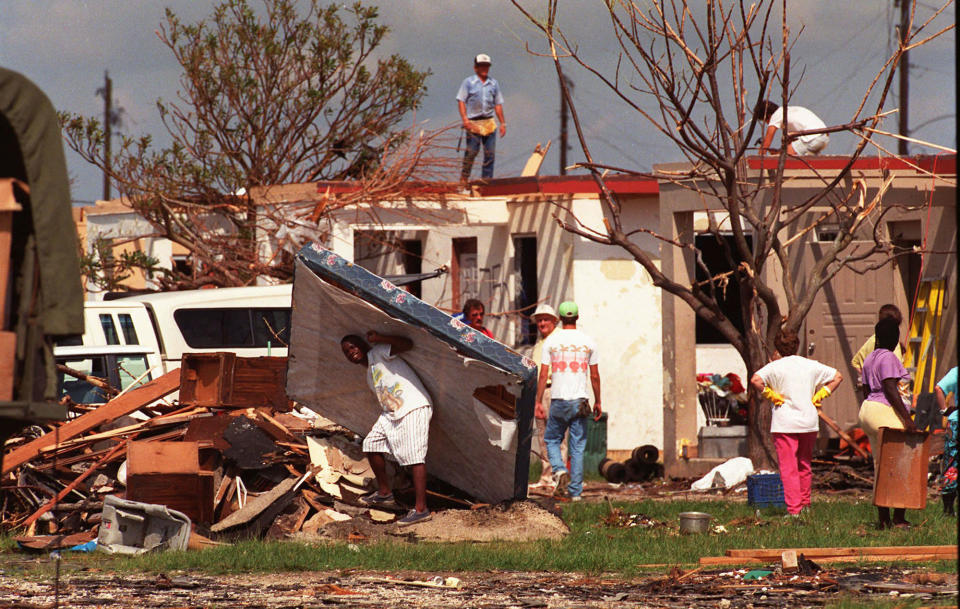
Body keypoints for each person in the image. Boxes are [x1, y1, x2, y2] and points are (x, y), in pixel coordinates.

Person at [340, 331, 434, 526]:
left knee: (415, 457)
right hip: (392, 413)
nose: (351, 352)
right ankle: (384, 493)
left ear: (363, 344)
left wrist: (380, 338)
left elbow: (407, 342)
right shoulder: (369, 374)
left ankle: (420, 509)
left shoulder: (379, 352)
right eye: (346, 352)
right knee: (371, 444)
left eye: (353, 347)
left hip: (413, 406)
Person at [750, 328, 843, 516]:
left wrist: (771, 394)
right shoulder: (810, 365)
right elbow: (837, 376)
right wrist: (821, 394)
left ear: (778, 347)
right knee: (804, 465)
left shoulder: (774, 366)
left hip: (785, 422)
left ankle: (794, 510)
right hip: (808, 421)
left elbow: (756, 380)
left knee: (788, 468)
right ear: (797, 345)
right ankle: (805, 505)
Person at [536, 301, 601, 501]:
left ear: (561, 319)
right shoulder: (589, 342)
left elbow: (543, 373)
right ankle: (576, 494)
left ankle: (559, 470)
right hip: (580, 400)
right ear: (577, 317)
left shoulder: (551, 342)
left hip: (558, 400)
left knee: (551, 439)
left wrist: (538, 401)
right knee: (577, 447)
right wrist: (598, 401)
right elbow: (595, 376)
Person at [858, 317, 918, 529]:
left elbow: (866, 389)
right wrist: (907, 419)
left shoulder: (870, 358)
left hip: (868, 410)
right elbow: (891, 389)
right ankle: (899, 518)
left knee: (880, 466)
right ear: (894, 338)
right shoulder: (890, 357)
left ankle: (883, 519)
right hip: (884, 410)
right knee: (901, 464)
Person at [457, 54, 506, 183]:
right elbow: (461, 100)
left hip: (489, 121)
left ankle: (487, 181)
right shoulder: (468, 82)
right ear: (476, 68)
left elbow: (498, 104)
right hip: (473, 122)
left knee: (490, 154)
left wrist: (503, 123)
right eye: (481, 66)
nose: (484, 69)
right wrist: (465, 119)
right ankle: (464, 178)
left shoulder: (493, 83)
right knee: (472, 152)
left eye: (486, 66)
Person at [530, 303, 560, 487]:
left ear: (554, 321)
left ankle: (559, 475)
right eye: (539, 320)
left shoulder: (558, 339)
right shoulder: (540, 343)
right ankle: (546, 476)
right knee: (543, 435)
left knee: (557, 435)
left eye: (545, 319)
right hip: (540, 391)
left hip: (554, 389)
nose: (542, 323)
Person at [755, 101, 829, 156]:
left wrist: (759, 158)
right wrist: (778, 151)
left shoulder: (776, 116)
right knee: (784, 153)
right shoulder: (787, 111)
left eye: (765, 121)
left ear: (768, 116)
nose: (767, 123)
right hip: (824, 137)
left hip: (813, 138)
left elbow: (767, 142)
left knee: (782, 157)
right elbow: (792, 142)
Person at [935, 366, 958, 515]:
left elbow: (939, 388)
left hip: (956, 423)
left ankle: (948, 509)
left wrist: (944, 410)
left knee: (951, 463)